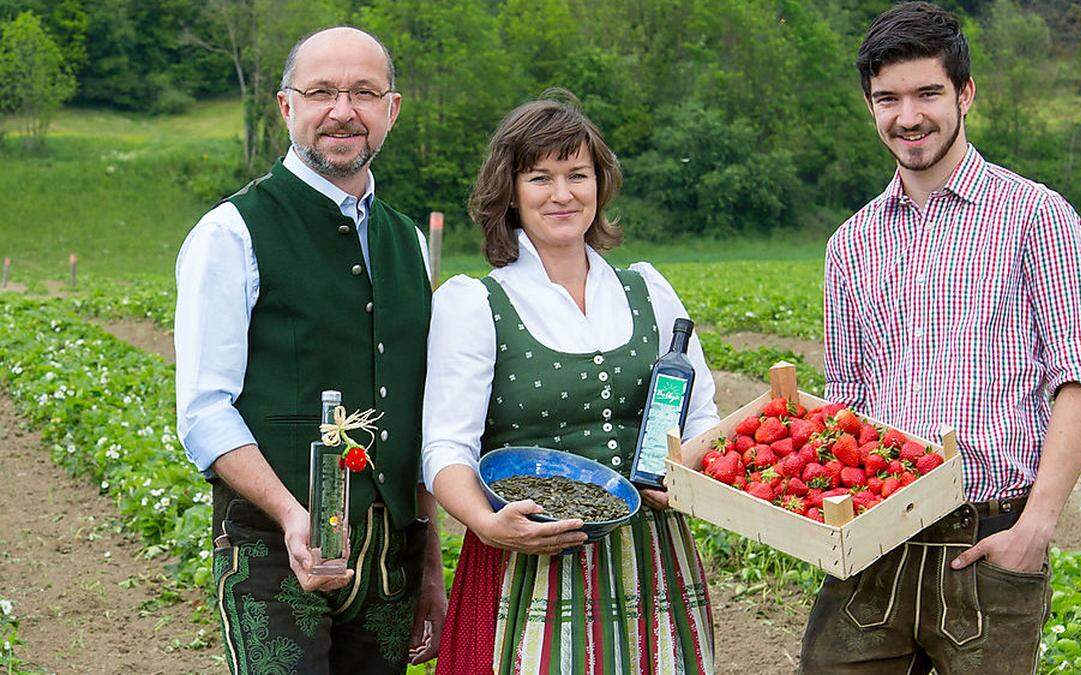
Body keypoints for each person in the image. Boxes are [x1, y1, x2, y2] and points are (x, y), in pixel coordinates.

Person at [800, 3, 1081, 673]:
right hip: (873, 543)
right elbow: (848, 398)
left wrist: (1037, 526)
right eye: (888, 98)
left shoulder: (1037, 216)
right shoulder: (851, 243)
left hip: (988, 537)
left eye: (927, 93)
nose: (908, 116)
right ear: (870, 105)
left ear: (965, 93)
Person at [174, 26, 446, 673]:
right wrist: (293, 514)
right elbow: (205, 412)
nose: (342, 110)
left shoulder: (408, 241)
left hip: (389, 559)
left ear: (392, 109)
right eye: (321, 91)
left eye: (363, 92)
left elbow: (418, 410)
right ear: (287, 106)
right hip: (273, 551)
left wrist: (430, 562)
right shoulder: (231, 233)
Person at [422, 92, 720, 674]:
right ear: (509, 191)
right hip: (527, 555)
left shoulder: (648, 290)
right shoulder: (476, 303)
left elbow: (704, 417)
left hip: (652, 557)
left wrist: (689, 479)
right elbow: (445, 448)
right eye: (541, 177)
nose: (563, 194)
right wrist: (486, 524)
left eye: (577, 174)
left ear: (599, 184)